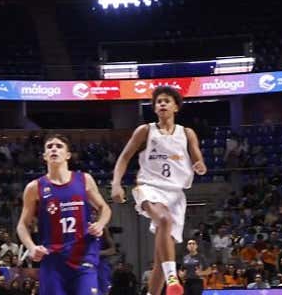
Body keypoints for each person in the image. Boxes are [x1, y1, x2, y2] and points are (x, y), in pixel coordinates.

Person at [111, 87, 207, 295]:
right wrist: (116, 183)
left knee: (160, 259)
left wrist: (200, 165)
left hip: (176, 194)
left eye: (167, 101)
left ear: (176, 107)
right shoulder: (145, 130)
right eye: (158, 102)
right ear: (154, 108)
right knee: (163, 220)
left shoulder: (187, 133)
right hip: (150, 188)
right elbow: (124, 157)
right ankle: (173, 277)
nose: (162, 104)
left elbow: (198, 157)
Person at [16, 134, 110, 295]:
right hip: (53, 258)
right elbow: (22, 225)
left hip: (83, 255)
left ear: (67, 155)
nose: (54, 148)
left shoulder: (84, 179)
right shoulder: (34, 187)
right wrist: (31, 247)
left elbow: (104, 208)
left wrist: (100, 224)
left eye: (59, 146)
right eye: (49, 146)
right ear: (44, 156)